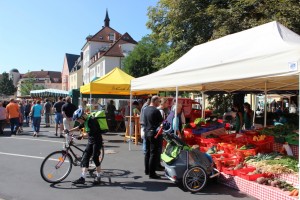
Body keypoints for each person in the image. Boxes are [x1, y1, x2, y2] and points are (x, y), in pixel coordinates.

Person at [69, 108, 103, 185]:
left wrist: (81, 136)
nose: (78, 121)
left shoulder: (92, 120)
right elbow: (78, 127)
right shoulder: (85, 120)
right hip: (91, 141)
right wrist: (69, 130)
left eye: (78, 119)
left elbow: (90, 133)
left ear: (82, 117)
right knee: (85, 158)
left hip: (97, 141)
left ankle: (98, 176)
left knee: (95, 158)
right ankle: (82, 178)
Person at [143, 95, 163, 179]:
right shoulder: (156, 111)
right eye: (159, 101)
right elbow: (161, 122)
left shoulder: (145, 109)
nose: (159, 103)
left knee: (147, 152)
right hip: (153, 133)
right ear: (154, 101)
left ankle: (147, 170)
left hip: (146, 132)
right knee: (153, 154)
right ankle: (152, 173)